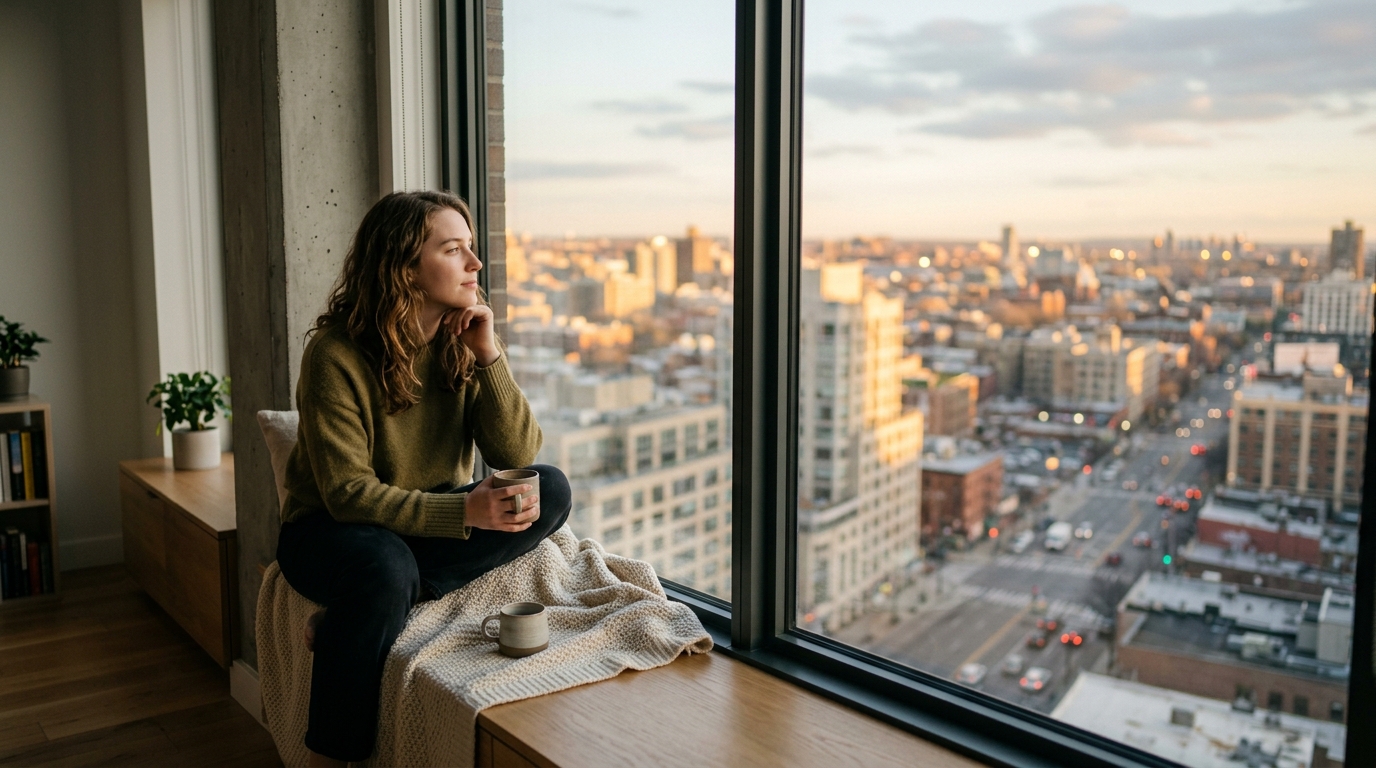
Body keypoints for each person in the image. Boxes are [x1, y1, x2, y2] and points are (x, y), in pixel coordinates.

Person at [274, 191, 570, 767]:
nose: (475, 265)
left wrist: (488, 355)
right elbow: (346, 494)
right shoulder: (334, 354)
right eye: (454, 249)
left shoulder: (462, 337)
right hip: (329, 532)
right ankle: (332, 756)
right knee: (383, 565)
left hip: (419, 526)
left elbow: (516, 450)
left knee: (550, 488)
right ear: (404, 266)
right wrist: (464, 513)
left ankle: (364, 609)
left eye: (472, 249)